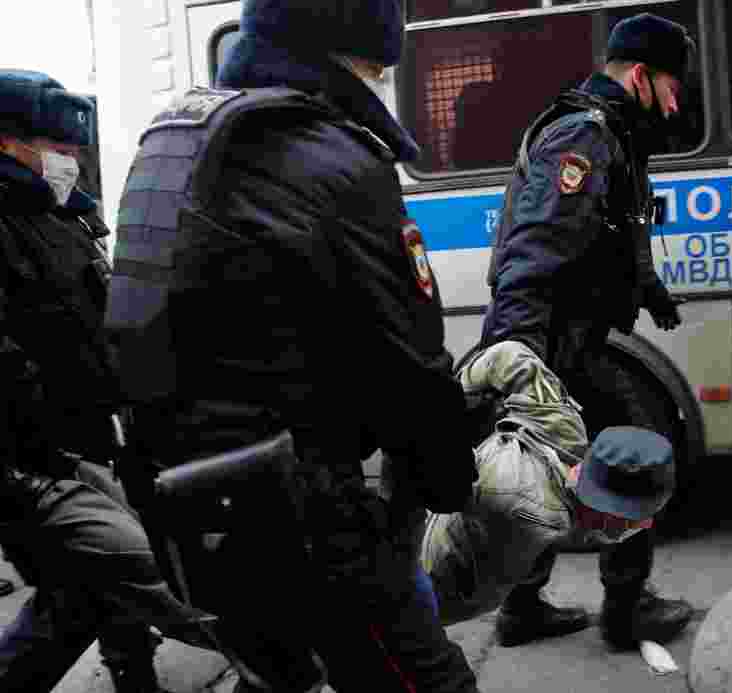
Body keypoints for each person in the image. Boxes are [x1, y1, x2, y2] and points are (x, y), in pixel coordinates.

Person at [104, 0, 481, 691]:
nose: (381, 83)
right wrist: (447, 480)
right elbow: (410, 366)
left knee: (278, 675)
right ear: (340, 56)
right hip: (302, 521)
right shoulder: (336, 159)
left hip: (184, 508)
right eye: (376, 66)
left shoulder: (175, 135)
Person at [477, 12, 697, 649]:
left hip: (566, 338)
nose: (677, 100)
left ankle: (520, 606)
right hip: (550, 342)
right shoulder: (585, 133)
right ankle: (627, 613)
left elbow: (613, 227)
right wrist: (517, 361)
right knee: (637, 450)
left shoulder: (616, 132)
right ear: (639, 75)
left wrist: (648, 290)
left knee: (549, 470)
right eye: (671, 85)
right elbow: (537, 247)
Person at [0, 69, 210, 693]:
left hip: (91, 441)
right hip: (38, 462)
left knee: (83, 594)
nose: (69, 162)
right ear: (9, 142)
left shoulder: (66, 217)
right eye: (58, 150)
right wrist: (54, 454)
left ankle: (134, 674)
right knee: (138, 573)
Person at [422, 341, 675, 634]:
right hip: (416, 591)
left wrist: (453, 400)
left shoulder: (563, 426)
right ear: (605, 512)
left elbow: (509, 357)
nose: (643, 524)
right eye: (636, 518)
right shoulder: (530, 516)